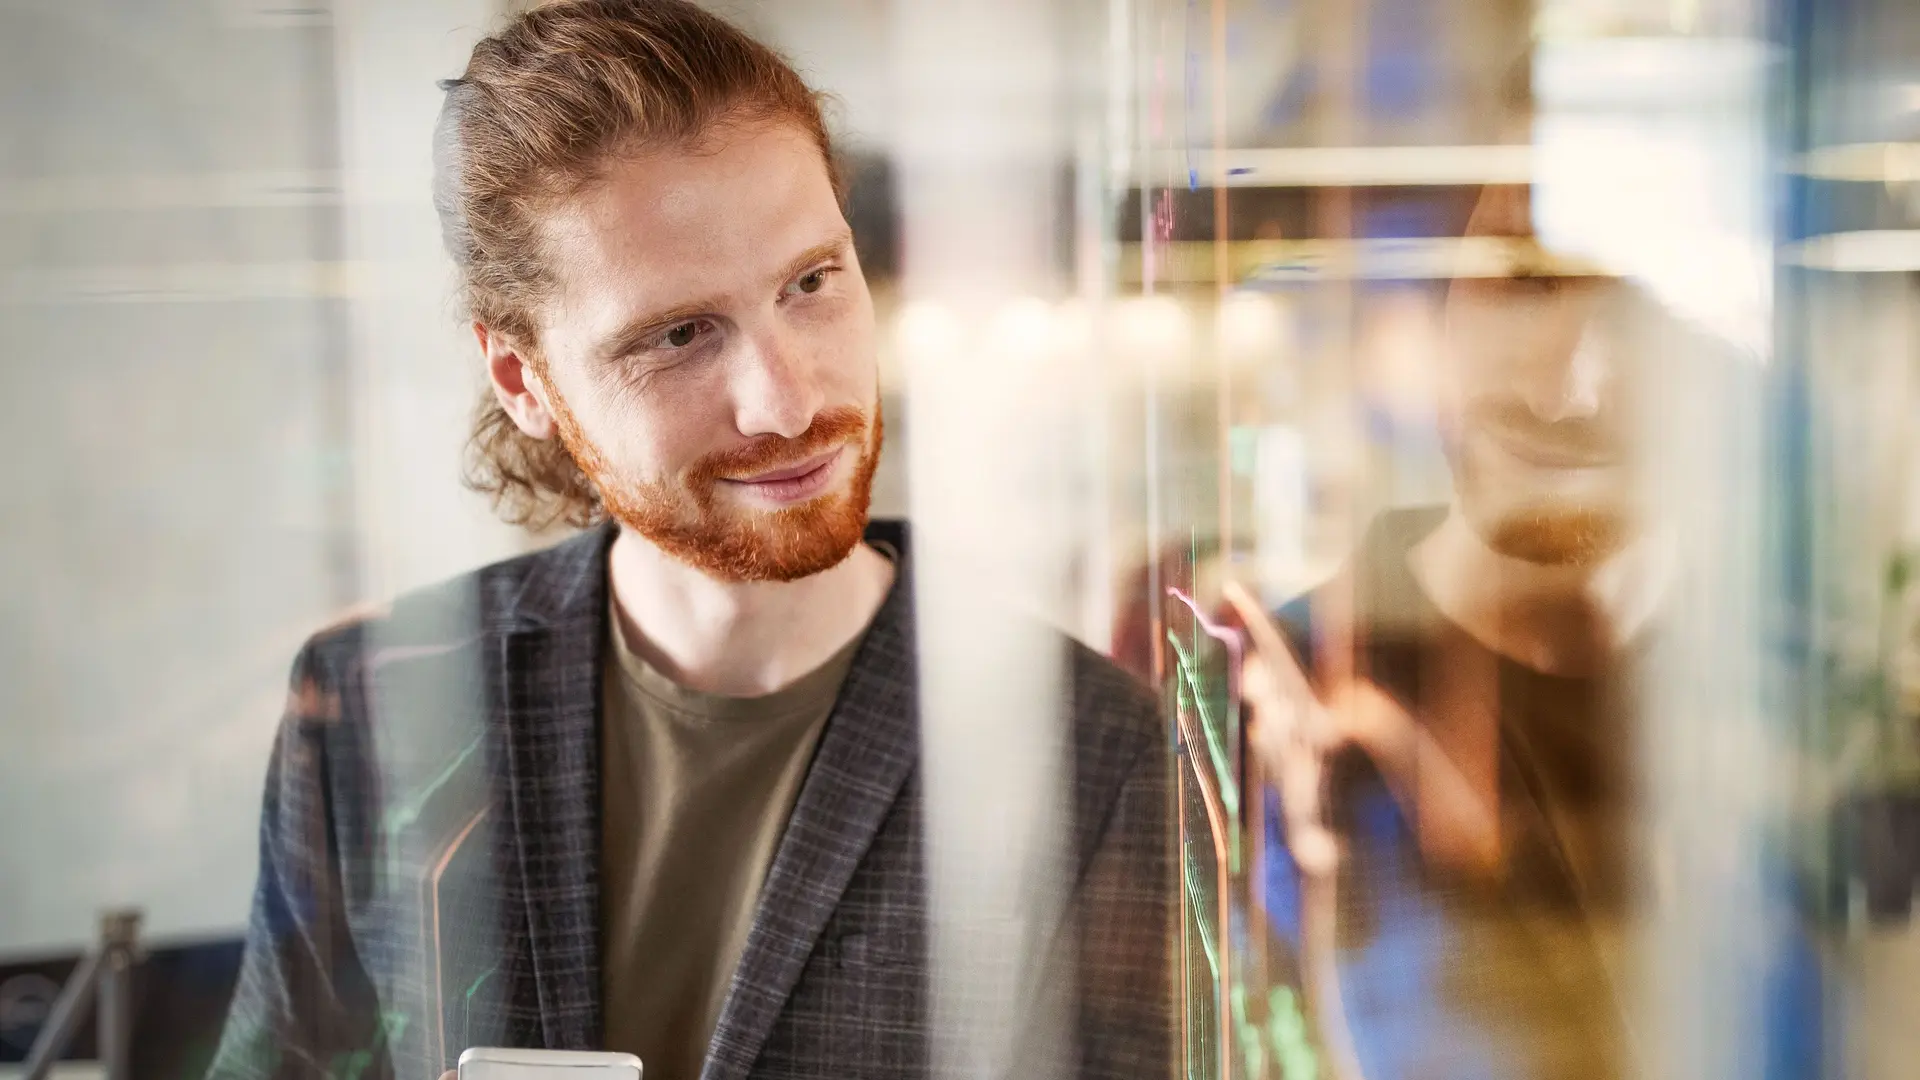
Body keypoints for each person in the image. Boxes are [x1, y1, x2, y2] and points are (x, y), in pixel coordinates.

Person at [206, 3, 1169, 1078]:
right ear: (524, 380)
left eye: (812, 282)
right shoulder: (373, 702)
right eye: (678, 335)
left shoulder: (1092, 748)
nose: (787, 401)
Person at [1227, 179, 1692, 1080]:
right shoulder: (1273, 705)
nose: (1566, 388)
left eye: (1641, 305)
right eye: (1524, 283)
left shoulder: (1823, 714)